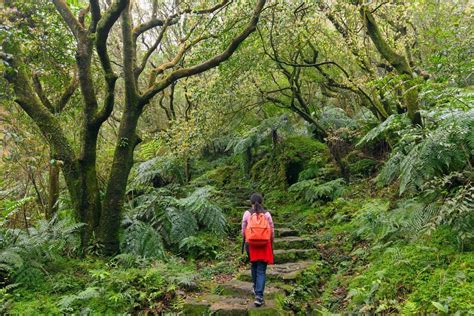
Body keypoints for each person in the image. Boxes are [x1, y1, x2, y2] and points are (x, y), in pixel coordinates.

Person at [241, 193, 274, 307]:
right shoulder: (267, 214)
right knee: (261, 270)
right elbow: (271, 230)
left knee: (254, 265)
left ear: (251, 202)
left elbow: (243, 230)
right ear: (262, 202)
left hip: (251, 245)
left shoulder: (247, 213)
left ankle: (256, 288)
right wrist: (271, 241)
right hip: (264, 244)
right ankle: (259, 296)